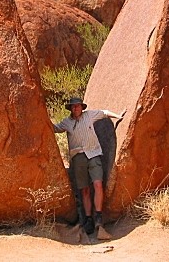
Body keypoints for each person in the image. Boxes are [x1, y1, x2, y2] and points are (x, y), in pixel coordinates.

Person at [53, 97, 125, 235]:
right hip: (78, 157)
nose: (76, 108)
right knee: (85, 189)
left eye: (78, 106)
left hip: (93, 154)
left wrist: (118, 116)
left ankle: (98, 216)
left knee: (98, 184)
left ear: (82, 107)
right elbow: (55, 128)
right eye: (73, 107)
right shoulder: (67, 122)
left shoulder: (90, 115)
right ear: (71, 109)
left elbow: (104, 113)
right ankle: (88, 219)